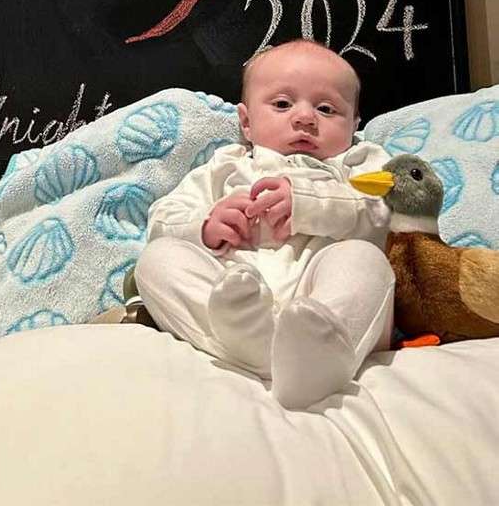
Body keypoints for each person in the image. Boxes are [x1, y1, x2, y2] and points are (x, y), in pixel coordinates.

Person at [135, 39, 395, 409]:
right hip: (234, 294)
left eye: (326, 108)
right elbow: (163, 219)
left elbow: (385, 214)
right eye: (282, 104)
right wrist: (205, 227)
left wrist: (311, 204)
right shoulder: (226, 166)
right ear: (246, 122)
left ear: (354, 124)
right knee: (156, 259)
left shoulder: (356, 164)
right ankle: (254, 345)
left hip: (319, 294)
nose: (305, 118)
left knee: (366, 261)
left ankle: (320, 352)